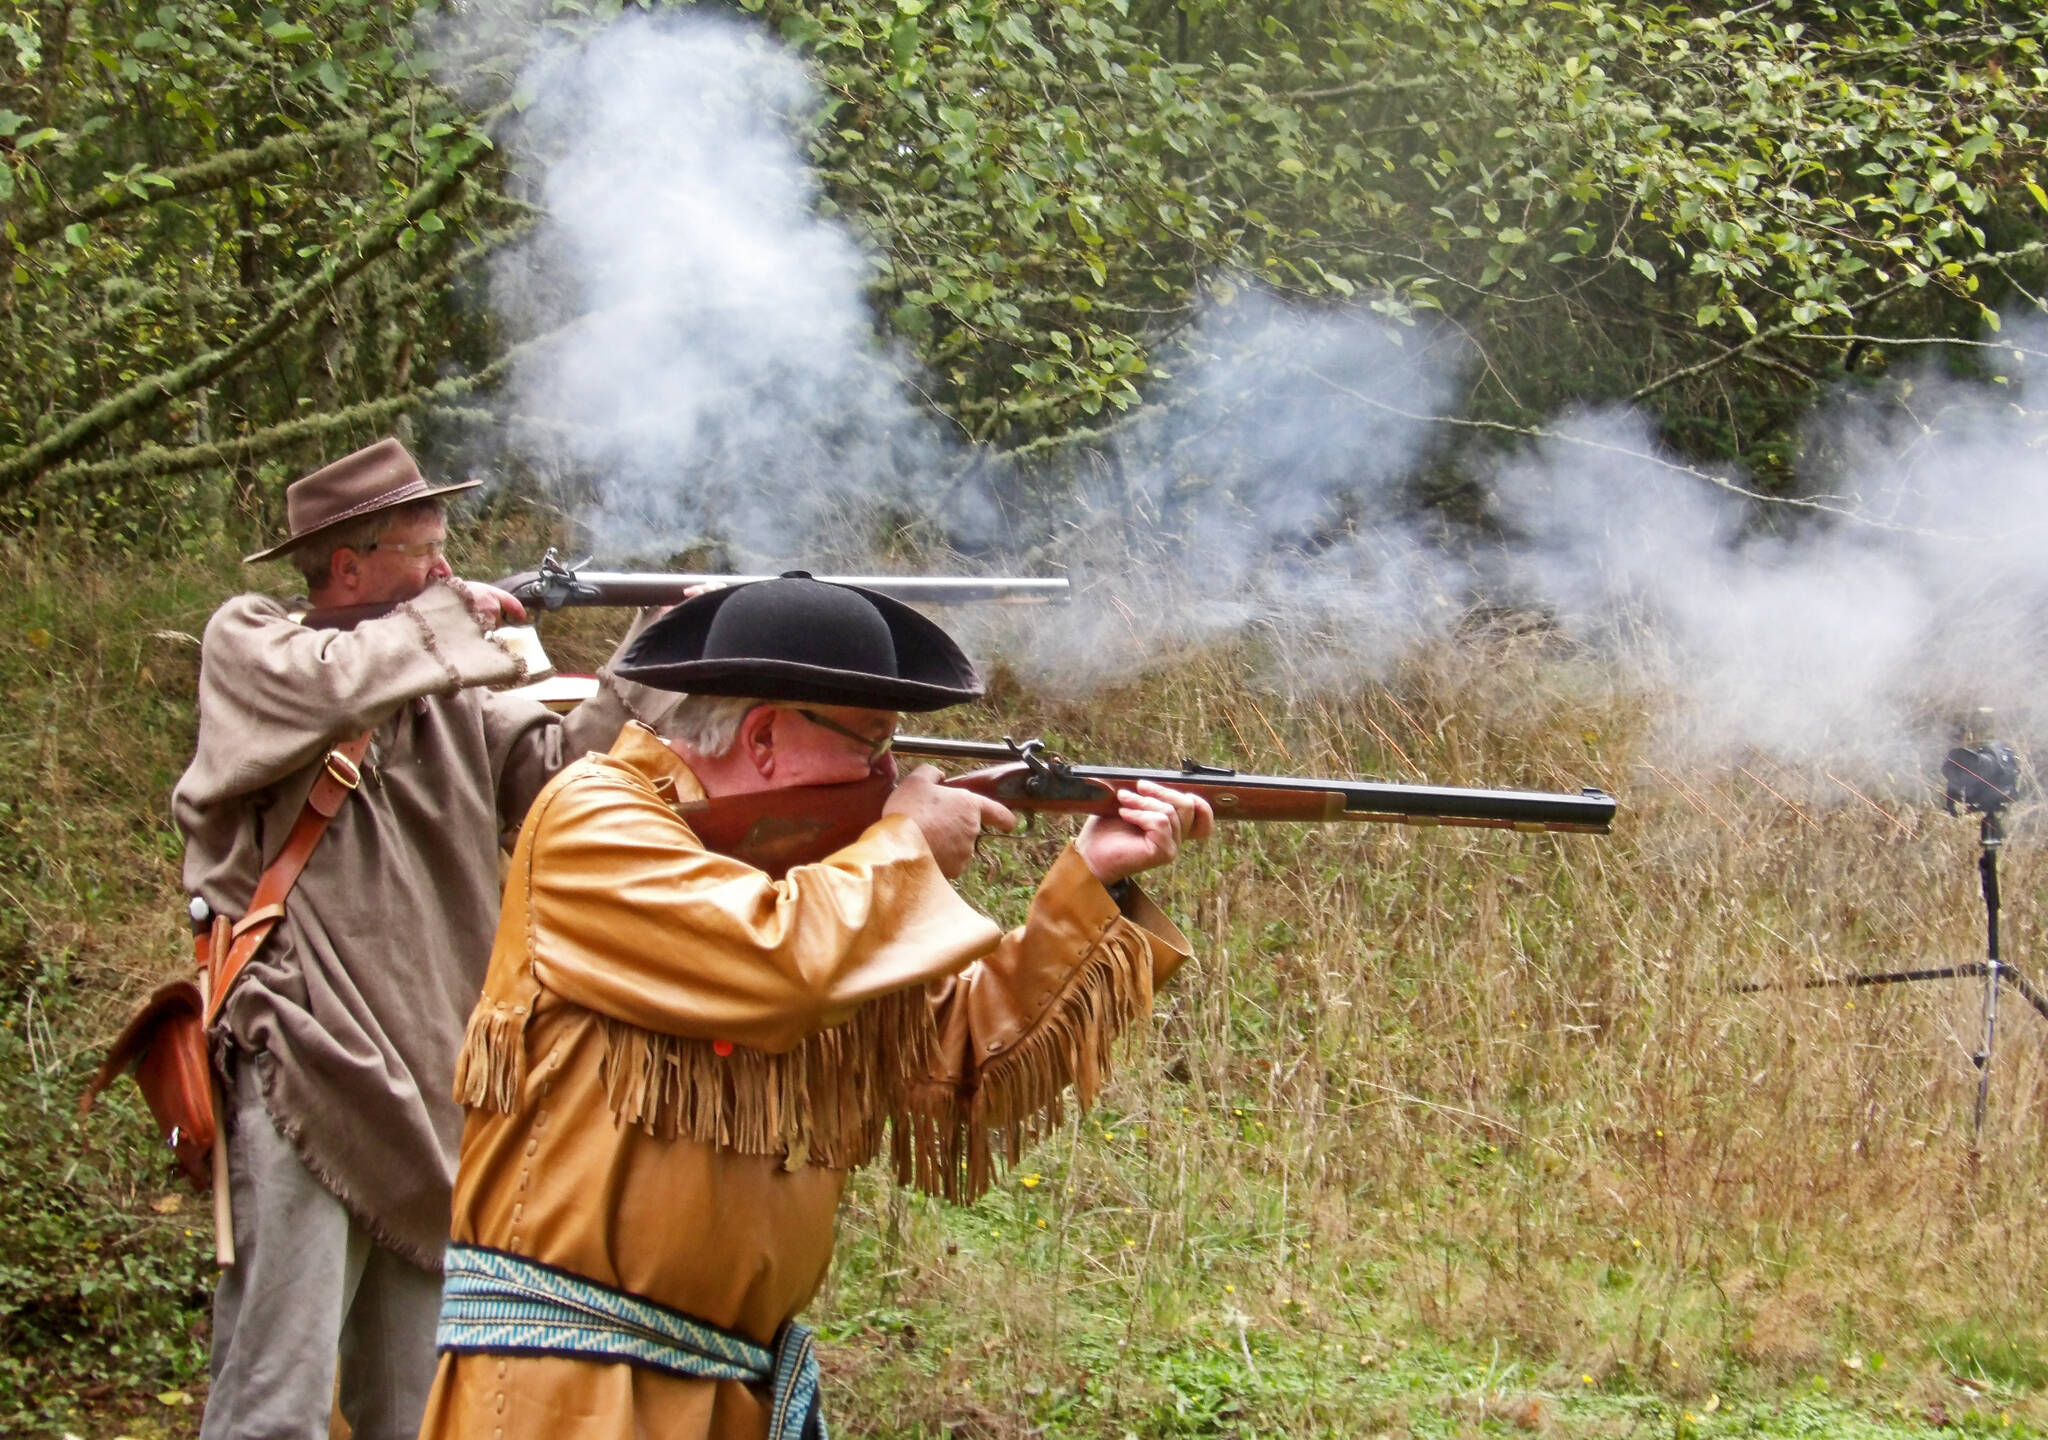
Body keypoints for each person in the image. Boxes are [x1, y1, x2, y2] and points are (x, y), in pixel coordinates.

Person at [417, 574, 1214, 1440]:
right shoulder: (594, 818)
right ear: (763, 737)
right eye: (870, 744)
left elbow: (962, 1065)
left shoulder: (815, 888)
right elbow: (773, 962)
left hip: (731, 1393)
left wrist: (1091, 880)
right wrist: (905, 844)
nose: (891, 775)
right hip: (566, 1397)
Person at [175, 438, 618, 1440]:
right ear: (347, 565)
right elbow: (336, 683)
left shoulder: (449, 683)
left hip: (431, 1090)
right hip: (304, 1066)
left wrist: (653, 666)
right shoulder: (254, 646)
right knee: (272, 1409)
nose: (445, 572)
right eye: (422, 551)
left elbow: (563, 782)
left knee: (416, 1417)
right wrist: (449, 623)